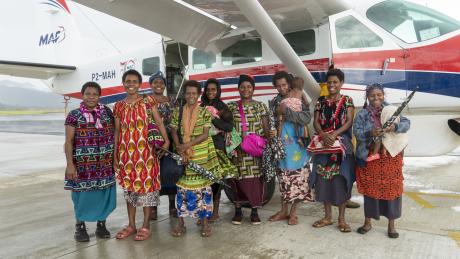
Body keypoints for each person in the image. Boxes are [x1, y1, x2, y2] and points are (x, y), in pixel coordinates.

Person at [113, 69, 170, 241]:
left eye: (134, 81)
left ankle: (146, 225)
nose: (131, 84)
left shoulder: (147, 100)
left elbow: (159, 121)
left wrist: (166, 141)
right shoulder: (118, 106)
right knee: (129, 190)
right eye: (128, 81)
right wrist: (115, 154)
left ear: (139, 84)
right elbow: (117, 131)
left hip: (147, 154)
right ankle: (131, 225)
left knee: (146, 189)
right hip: (126, 154)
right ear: (123, 83)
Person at [354, 83, 410, 238]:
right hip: (371, 156)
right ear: (367, 97)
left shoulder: (392, 110)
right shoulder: (362, 114)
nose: (376, 98)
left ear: (383, 95)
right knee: (370, 190)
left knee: (392, 190)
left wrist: (395, 127)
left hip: (390, 157)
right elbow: (356, 132)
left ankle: (391, 226)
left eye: (379, 95)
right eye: (372, 95)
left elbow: (407, 123)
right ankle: (367, 222)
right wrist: (370, 132)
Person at [169, 80, 223, 237]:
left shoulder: (205, 112)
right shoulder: (177, 111)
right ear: (184, 95)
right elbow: (173, 130)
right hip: (182, 155)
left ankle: (205, 224)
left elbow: (205, 134)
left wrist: (187, 146)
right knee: (182, 191)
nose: (191, 96)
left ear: (199, 94)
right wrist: (180, 148)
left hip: (200, 156)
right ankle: (181, 224)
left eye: (194, 93)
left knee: (203, 190)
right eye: (188, 93)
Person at [64, 82, 116, 242]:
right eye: (88, 94)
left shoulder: (107, 112)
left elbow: (115, 135)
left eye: (95, 94)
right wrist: (70, 165)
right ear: (82, 95)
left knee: (103, 195)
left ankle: (102, 225)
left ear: (99, 96)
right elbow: (69, 141)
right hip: (83, 166)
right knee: (81, 196)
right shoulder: (74, 115)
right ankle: (80, 227)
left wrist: (114, 159)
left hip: (105, 165)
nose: (91, 97)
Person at [310, 68, 355, 233]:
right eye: (329, 82)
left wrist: (334, 134)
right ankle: (327, 217)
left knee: (341, 181)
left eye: (335, 82)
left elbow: (349, 121)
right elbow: (316, 122)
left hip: (341, 147)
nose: (332, 85)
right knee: (323, 181)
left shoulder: (348, 100)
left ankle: (341, 219)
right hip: (324, 147)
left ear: (341, 83)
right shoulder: (320, 101)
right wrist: (323, 134)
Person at [268, 71, 313, 225]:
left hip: (298, 145)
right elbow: (272, 121)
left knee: (298, 178)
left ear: (290, 83)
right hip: (282, 146)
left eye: (284, 85)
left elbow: (306, 118)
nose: (281, 88)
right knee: (284, 179)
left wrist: (285, 112)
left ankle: (293, 213)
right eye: (278, 86)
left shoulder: (300, 96)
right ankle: (283, 211)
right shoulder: (274, 101)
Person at [227, 74, 271, 225]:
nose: (245, 89)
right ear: (238, 89)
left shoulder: (260, 106)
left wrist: (268, 146)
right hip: (237, 150)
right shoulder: (232, 106)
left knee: (255, 181)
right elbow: (226, 127)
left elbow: (266, 128)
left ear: (253, 89)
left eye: (249, 87)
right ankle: (238, 210)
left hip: (255, 151)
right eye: (242, 87)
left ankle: (254, 211)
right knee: (237, 180)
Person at [200, 78, 237, 222]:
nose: (210, 92)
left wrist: (213, 119)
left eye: (213, 90)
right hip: (203, 148)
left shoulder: (222, 107)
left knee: (216, 181)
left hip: (218, 148)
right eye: (208, 89)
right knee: (204, 181)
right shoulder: (201, 105)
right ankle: (205, 212)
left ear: (218, 91)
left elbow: (229, 127)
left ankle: (214, 212)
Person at [148, 71, 180, 220]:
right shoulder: (145, 101)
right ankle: (153, 207)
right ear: (151, 84)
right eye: (155, 82)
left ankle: (172, 205)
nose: (158, 85)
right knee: (153, 174)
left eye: (161, 83)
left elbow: (176, 121)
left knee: (171, 172)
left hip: (170, 142)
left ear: (164, 85)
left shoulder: (172, 100)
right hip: (152, 143)